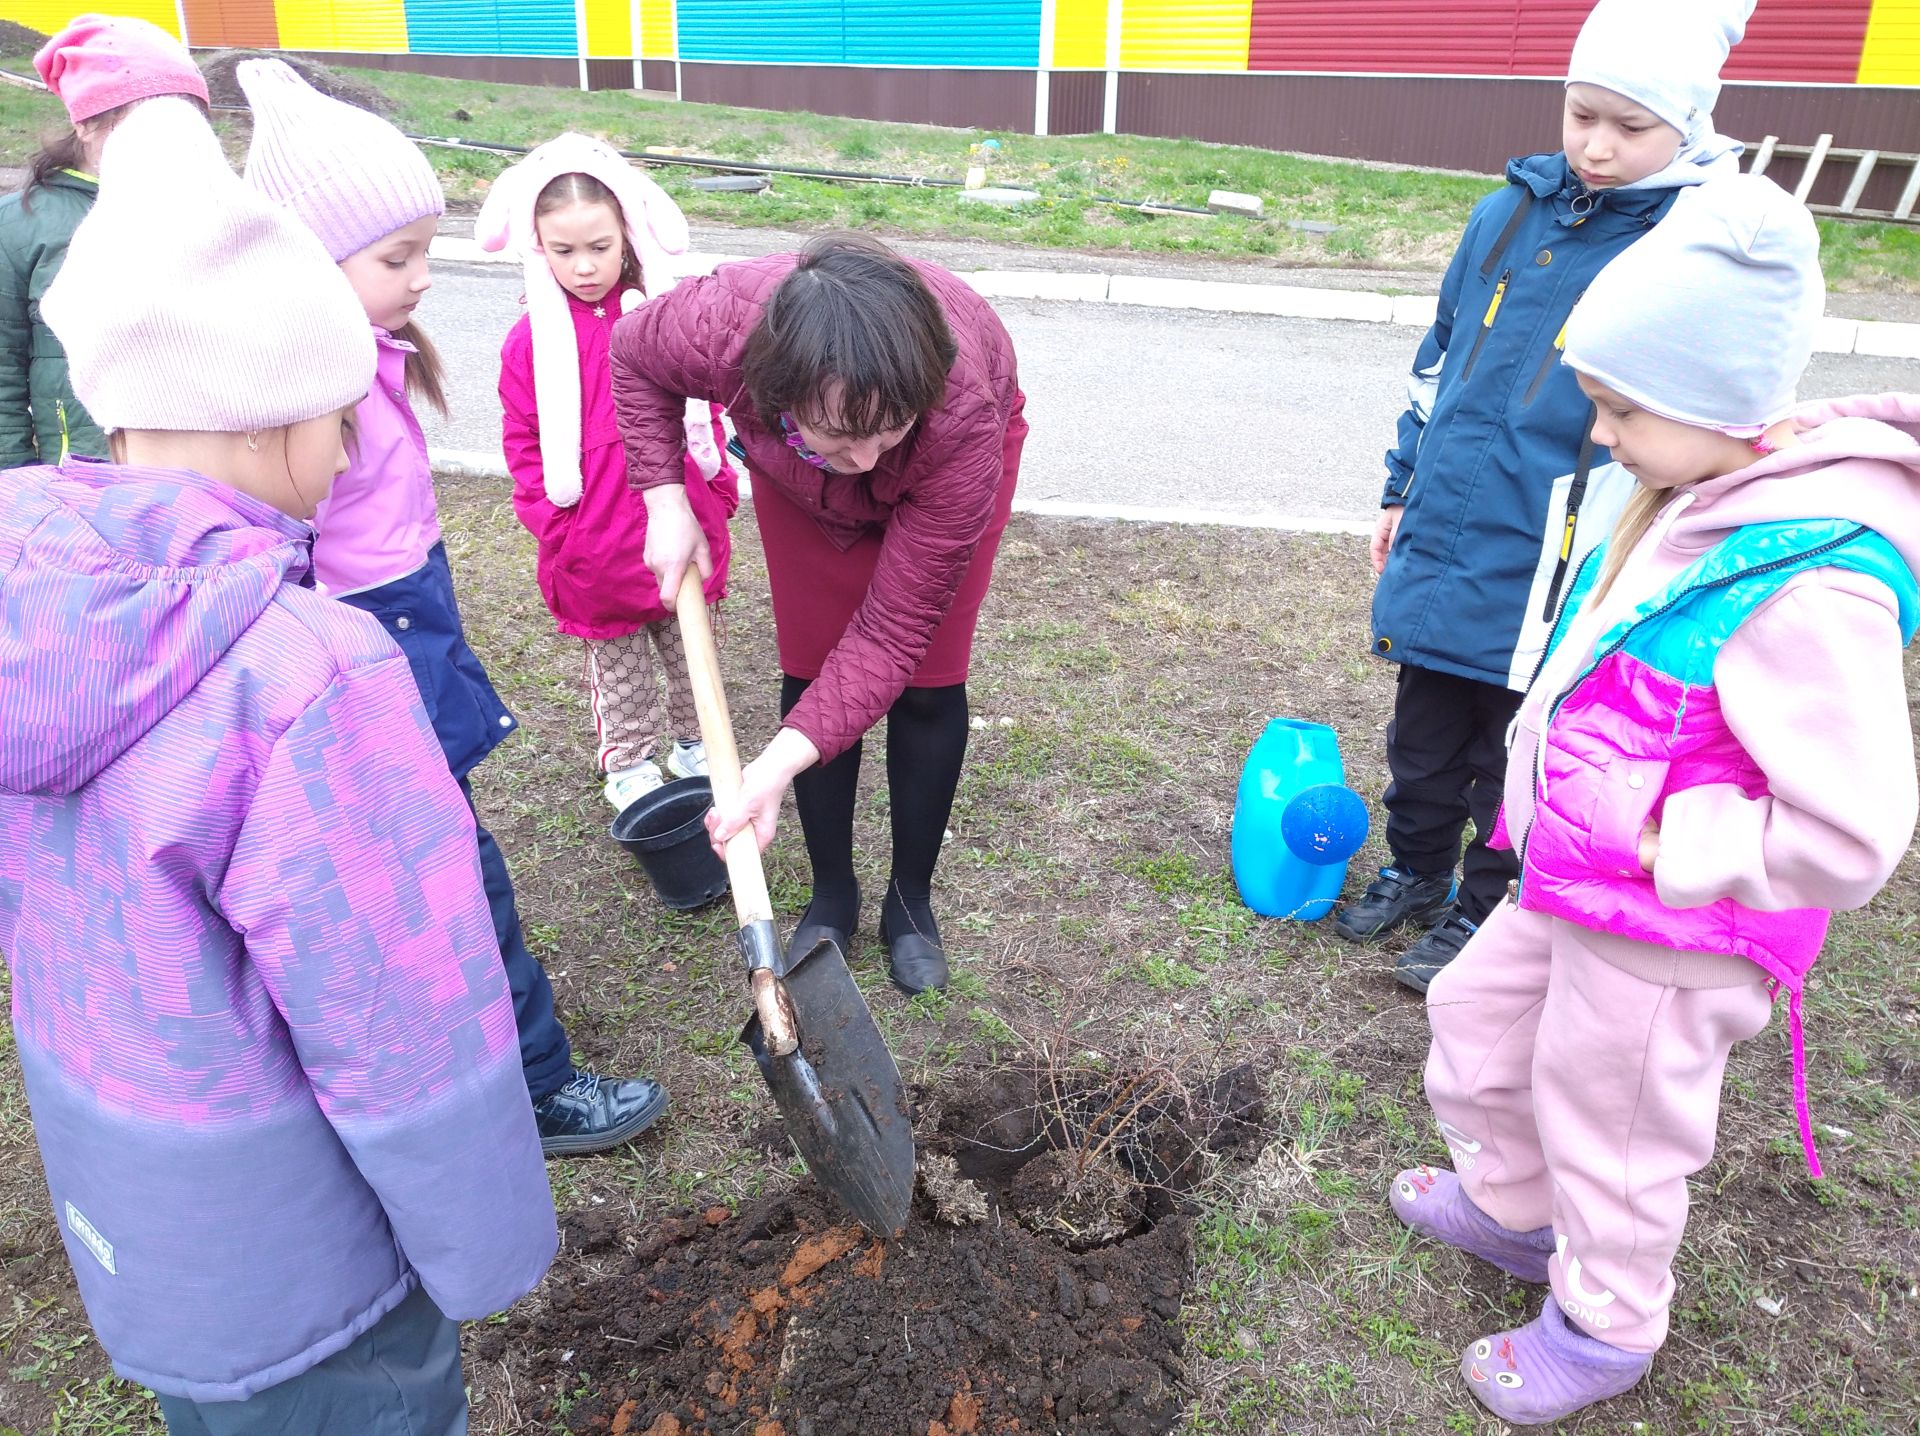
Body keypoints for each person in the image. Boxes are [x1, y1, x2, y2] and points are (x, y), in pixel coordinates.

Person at [0, 95, 557, 1434]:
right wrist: (490, 1249)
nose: (357, 442)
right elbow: (400, 1012)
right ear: (269, 419)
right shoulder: (309, 673)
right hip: (315, 1262)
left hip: (146, 1224)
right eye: (341, 411)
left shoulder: (30, 601)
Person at [1390, 174, 1919, 1426]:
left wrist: (1653, 832)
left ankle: (1606, 1324)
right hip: (1576, 879)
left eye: (1621, 409)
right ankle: (1519, 1212)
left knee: (1616, 1124)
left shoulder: (1807, 582)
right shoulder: (1686, 498)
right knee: (1474, 1011)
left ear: (1711, 403)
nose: (1600, 434)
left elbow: (1853, 831)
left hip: (1673, 932)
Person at [236, 58, 667, 1155]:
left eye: (424, 249)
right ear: (308, 262)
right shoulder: (300, 389)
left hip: (411, 619)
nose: (424, 277)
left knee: (442, 861)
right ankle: (534, 1081)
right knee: (453, 868)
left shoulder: (367, 354)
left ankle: (487, 1072)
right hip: (372, 643)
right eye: (398, 257)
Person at [1339, 0, 1757, 992]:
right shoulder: (1507, 213)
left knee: (1516, 742)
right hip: (1450, 526)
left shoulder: (1690, 248)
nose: (1597, 146)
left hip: (1567, 548)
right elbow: (1438, 362)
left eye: (1630, 126)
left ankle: (1488, 905)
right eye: (1582, 116)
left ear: (1687, 127)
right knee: (1425, 720)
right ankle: (1417, 868)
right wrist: (1402, 486)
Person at [611, 234, 1025, 995]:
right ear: (774, 388)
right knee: (813, 666)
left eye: (885, 432)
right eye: (842, 436)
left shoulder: (956, 415)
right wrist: (663, 499)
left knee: (927, 677)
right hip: (791, 473)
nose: (867, 461)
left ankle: (910, 902)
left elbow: (894, 632)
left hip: (949, 468)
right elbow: (633, 356)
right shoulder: (721, 330)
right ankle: (832, 890)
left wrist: (767, 768)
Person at [483, 132, 738, 813]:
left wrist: (715, 489)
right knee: (619, 666)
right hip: (592, 539)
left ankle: (696, 746)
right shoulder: (528, 343)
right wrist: (555, 525)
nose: (585, 266)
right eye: (563, 252)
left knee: (691, 650)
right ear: (538, 248)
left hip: (684, 520)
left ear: (627, 233)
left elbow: (705, 408)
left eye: (599, 247)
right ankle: (628, 763)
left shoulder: (661, 318)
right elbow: (524, 443)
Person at [1, 14, 208, 469]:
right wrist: (13, 485)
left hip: (188, 478)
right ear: (87, 123)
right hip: (73, 483)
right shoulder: (21, 226)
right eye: (144, 121)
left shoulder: (209, 215)